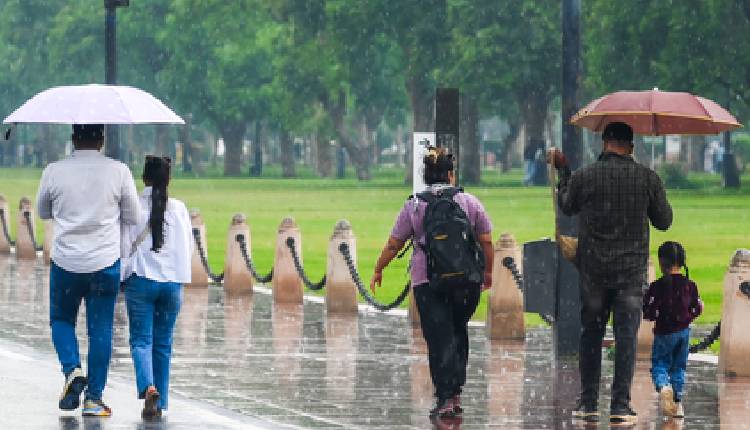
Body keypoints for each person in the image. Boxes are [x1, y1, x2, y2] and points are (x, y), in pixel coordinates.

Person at [552, 122, 673, 425]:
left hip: (593, 271)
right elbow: (664, 221)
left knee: (591, 334)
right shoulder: (646, 177)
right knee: (626, 337)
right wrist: (654, 190)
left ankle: (588, 402)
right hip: (630, 275)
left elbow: (566, 205)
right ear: (630, 146)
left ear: (604, 143)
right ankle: (620, 405)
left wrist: (564, 173)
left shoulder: (586, 176)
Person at [370, 147, 494, 418]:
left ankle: (445, 396)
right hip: (466, 280)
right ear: (450, 175)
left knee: (439, 338)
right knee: (458, 331)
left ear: (426, 176)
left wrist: (379, 268)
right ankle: (456, 391)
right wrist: (487, 273)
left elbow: (394, 244)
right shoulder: (469, 202)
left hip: (428, 280)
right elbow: (486, 240)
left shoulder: (414, 206)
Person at [36, 124, 141, 417]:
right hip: (104, 263)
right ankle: (94, 399)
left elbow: (43, 211)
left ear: (73, 139)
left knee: (61, 319)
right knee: (101, 330)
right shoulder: (119, 171)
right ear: (101, 140)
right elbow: (133, 215)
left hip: (66, 262)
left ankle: (72, 369)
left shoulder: (54, 171)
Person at [121, 156, 192, 419]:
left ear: (144, 178)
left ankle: (148, 386)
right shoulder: (179, 209)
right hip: (172, 284)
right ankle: (160, 402)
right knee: (163, 344)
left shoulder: (134, 207)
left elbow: (124, 245)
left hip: (141, 280)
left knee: (141, 340)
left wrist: (122, 277)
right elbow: (188, 246)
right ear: (169, 179)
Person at [643, 241, 702, 419]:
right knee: (679, 367)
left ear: (662, 262)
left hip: (663, 333)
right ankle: (677, 402)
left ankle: (663, 387)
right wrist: (690, 316)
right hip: (684, 332)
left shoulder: (657, 286)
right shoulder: (690, 285)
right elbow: (696, 308)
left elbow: (649, 312)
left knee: (659, 364)